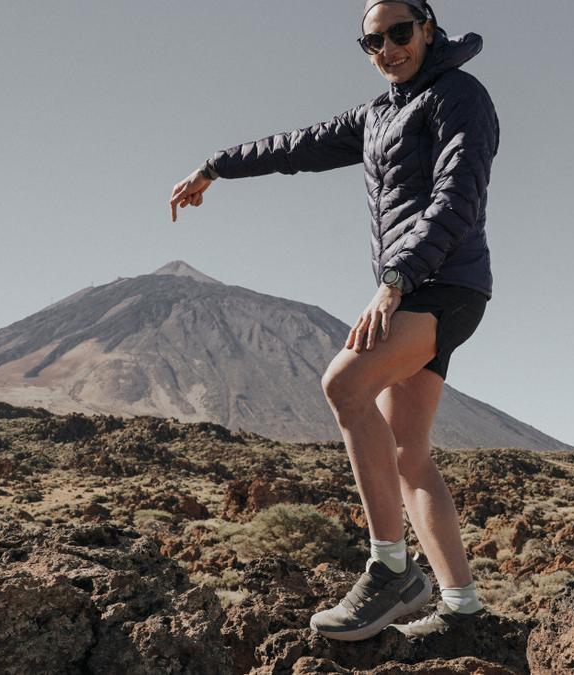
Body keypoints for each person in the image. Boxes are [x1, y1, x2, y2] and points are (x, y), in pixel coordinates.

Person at [168, 0, 498, 641]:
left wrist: (395, 282)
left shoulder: (460, 96)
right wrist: (214, 166)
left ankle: (390, 570)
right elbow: (295, 147)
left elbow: (459, 196)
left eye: (400, 34)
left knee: (344, 385)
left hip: (443, 285)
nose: (388, 50)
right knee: (408, 453)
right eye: (372, 42)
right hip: (416, 287)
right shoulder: (378, 115)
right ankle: (460, 605)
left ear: (428, 29)